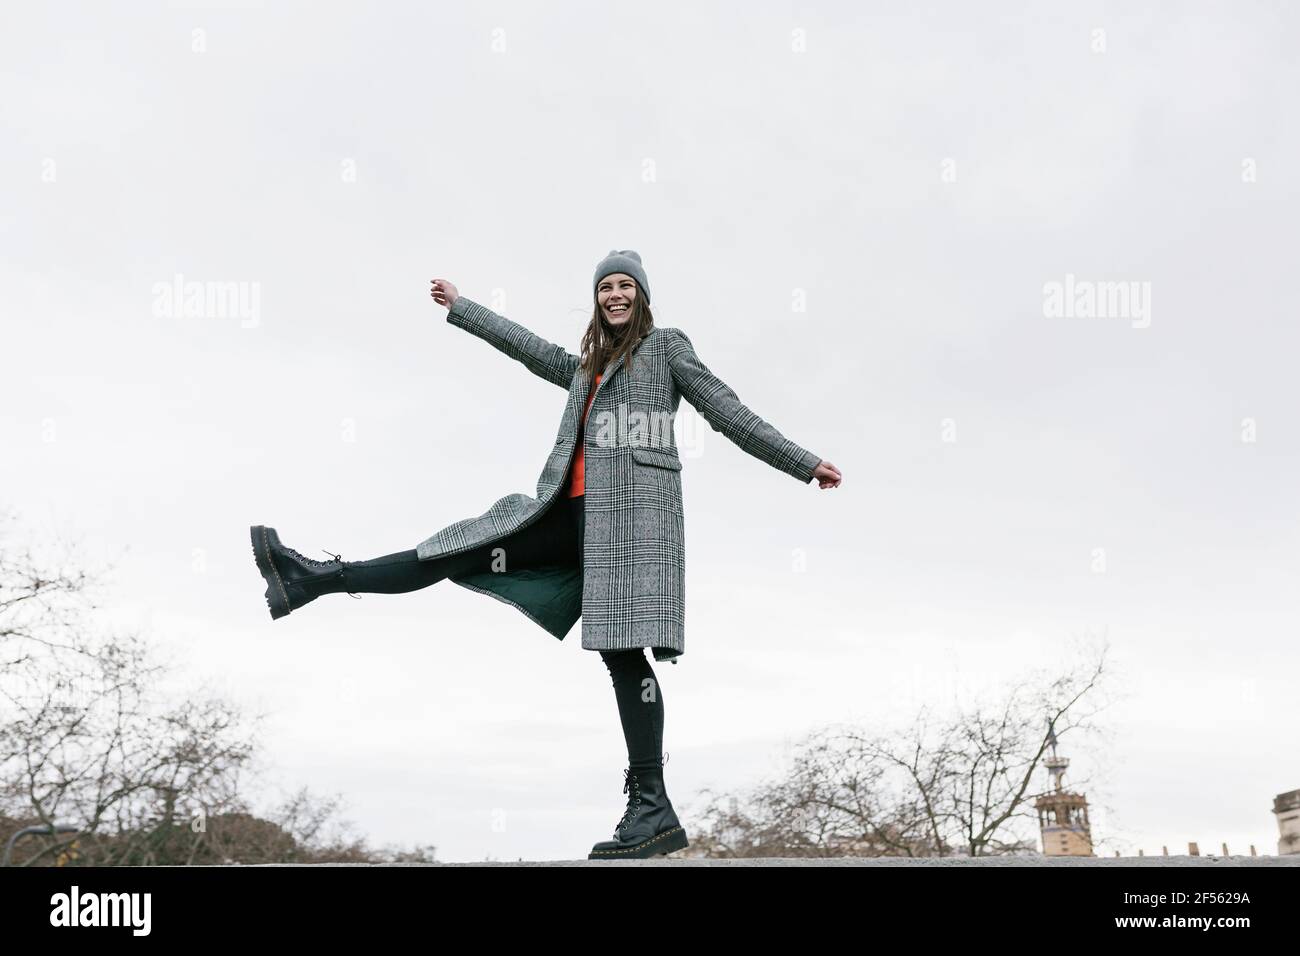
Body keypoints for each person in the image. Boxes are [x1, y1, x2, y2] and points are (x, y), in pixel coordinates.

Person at [251, 250, 842, 859]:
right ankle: (315, 579)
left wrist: (802, 463)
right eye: (605, 287)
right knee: (456, 548)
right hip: (564, 514)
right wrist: (463, 307)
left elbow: (725, 409)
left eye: (625, 287)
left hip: (630, 525)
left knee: (622, 655)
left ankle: (653, 809)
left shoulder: (665, 350)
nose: (615, 295)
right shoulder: (587, 366)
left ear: (641, 297)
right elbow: (533, 350)